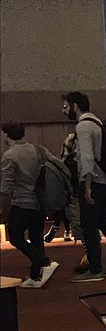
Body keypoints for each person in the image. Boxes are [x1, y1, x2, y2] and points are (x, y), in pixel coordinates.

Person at [61, 91, 106, 282]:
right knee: (104, 223)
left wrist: (87, 186)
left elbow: (86, 158)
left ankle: (95, 269)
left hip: (94, 182)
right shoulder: (97, 123)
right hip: (105, 181)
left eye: (66, 106)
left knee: (89, 226)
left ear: (75, 106)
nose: (64, 111)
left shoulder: (83, 126)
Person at [0, 121, 59, 288]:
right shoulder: (38, 149)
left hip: (22, 202)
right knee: (36, 237)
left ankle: (44, 262)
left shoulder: (10, 156)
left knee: (15, 236)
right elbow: (55, 164)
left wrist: (3, 204)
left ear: (6, 134)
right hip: (40, 202)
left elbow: (6, 186)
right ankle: (36, 276)